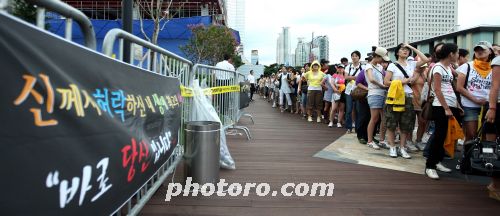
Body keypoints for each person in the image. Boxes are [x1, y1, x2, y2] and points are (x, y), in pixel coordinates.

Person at [384, 43, 429, 158]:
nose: (405, 51)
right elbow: (386, 82)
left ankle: (403, 147)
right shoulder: (392, 66)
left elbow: (425, 59)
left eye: (407, 50)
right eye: (403, 49)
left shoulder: (412, 64)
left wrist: (412, 47)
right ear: (397, 52)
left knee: (406, 124)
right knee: (392, 123)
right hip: (394, 96)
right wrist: (401, 82)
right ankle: (393, 147)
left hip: (408, 96)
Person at [425, 43, 462, 180]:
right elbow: (438, 89)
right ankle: (430, 166)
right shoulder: (438, 68)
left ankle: (437, 161)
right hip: (440, 106)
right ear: (451, 54)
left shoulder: (448, 67)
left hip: (450, 104)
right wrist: (446, 108)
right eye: (457, 53)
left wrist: (457, 105)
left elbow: (450, 88)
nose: (458, 55)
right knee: (439, 136)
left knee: (445, 135)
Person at [457, 41, 495, 142]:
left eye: (482, 49)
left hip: (488, 106)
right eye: (477, 50)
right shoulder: (467, 66)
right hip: (470, 105)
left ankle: (482, 156)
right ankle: (468, 156)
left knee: (486, 135)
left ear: (490, 51)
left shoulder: (494, 68)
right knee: (471, 135)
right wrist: (476, 100)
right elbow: (459, 87)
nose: (479, 51)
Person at [365, 47, 390, 150]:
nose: (383, 61)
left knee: (384, 118)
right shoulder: (368, 66)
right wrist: (382, 86)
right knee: (374, 118)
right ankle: (370, 141)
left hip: (382, 93)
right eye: (381, 58)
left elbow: (383, 79)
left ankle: (382, 140)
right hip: (374, 93)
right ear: (376, 56)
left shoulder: (379, 66)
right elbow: (371, 79)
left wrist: (385, 85)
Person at [485, 53, 500, 201]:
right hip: (497, 107)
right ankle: (494, 185)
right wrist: (493, 108)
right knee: (492, 148)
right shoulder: (498, 60)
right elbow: (495, 86)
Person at [344, 51, 365, 133]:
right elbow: (345, 77)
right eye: (352, 56)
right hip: (349, 90)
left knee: (358, 110)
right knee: (349, 110)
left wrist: (351, 77)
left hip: (359, 91)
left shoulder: (363, 67)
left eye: (356, 56)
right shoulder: (348, 67)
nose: (354, 57)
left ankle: (357, 127)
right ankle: (348, 127)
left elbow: (363, 78)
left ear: (359, 57)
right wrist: (357, 77)